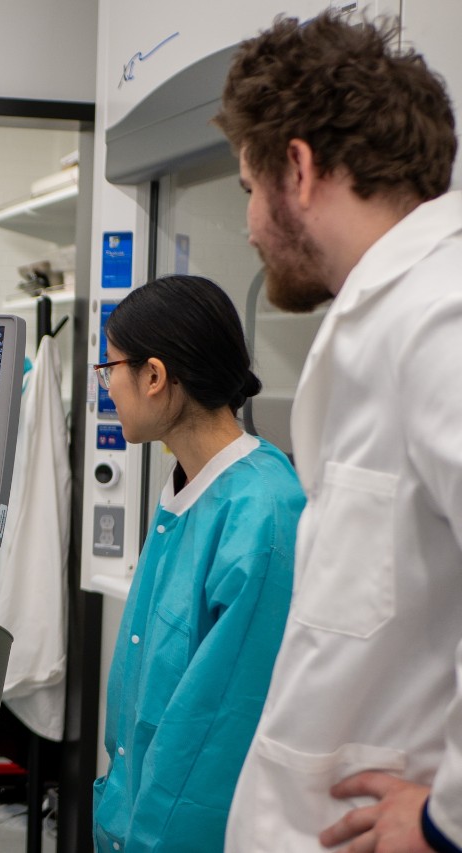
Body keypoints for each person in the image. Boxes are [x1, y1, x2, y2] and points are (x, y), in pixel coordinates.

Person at [213, 11, 462, 853]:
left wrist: (446, 822)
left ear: (299, 167)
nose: (249, 225)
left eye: (249, 189)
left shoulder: (439, 316)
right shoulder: (387, 312)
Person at [91, 275, 305, 852]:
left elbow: (215, 737)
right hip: (132, 817)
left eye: (109, 368)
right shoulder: (186, 488)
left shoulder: (263, 514)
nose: (107, 386)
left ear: (155, 377)